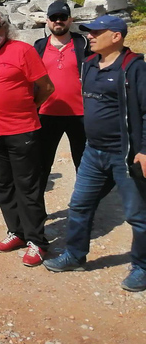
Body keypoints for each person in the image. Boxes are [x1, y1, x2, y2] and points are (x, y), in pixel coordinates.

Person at [44, 15, 146, 292]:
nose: (89, 35)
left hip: (125, 155)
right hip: (94, 151)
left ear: (117, 36)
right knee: (79, 205)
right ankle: (75, 256)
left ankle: (142, 267)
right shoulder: (89, 64)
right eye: (88, 31)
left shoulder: (134, 67)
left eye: (96, 31)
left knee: (137, 216)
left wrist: (144, 150)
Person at [0, 8, 55, 267]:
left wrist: (28, 107)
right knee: (2, 186)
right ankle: (17, 232)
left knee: (28, 188)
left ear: (5, 26)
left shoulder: (23, 50)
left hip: (21, 131)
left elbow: (46, 87)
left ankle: (37, 241)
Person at [33, 0, 89, 193]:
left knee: (84, 167)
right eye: (54, 18)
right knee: (40, 167)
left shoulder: (83, 43)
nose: (58, 21)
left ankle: (83, 212)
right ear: (47, 21)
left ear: (70, 19)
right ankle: (36, 216)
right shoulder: (39, 46)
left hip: (80, 115)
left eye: (62, 17)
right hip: (47, 114)